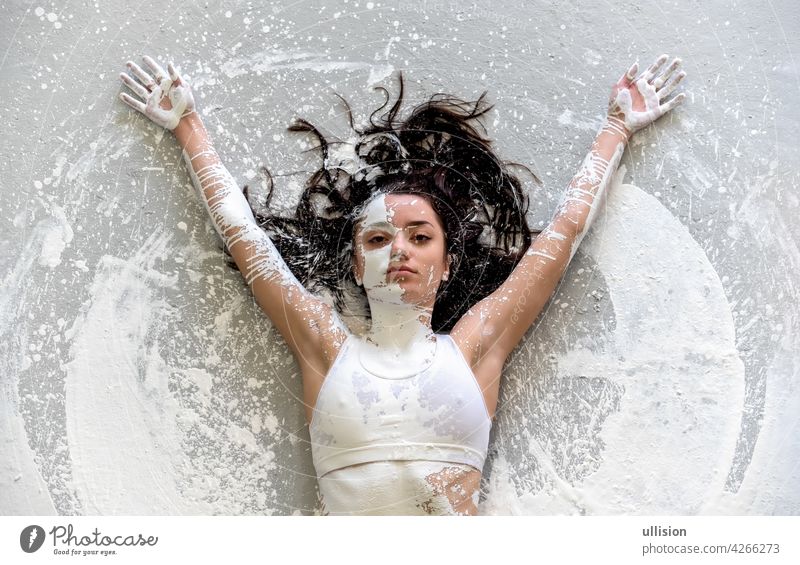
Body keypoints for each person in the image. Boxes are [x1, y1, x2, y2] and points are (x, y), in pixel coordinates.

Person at [118, 54, 686, 515]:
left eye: (420, 237)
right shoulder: (324, 345)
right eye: (378, 240)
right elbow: (247, 242)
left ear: (447, 261)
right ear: (357, 265)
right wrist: (187, 126)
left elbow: (561, 237)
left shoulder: (475, 344)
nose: (399, 252)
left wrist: (617, 128)